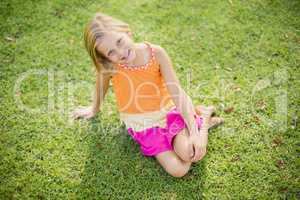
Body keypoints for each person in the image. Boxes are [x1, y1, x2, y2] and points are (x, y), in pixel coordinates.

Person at [72, 12, 224, 178]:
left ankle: (201, 121)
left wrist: (195, 134)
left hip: (169, 112)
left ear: (127, 32)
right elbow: (101, 86)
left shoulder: (156, 54)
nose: (120, 52)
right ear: (106, 58)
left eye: (119, 41)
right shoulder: (111, 67)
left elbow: (176, 92)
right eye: (111, 52)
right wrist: (93, 109)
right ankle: (203, 117)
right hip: (144, 125)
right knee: (179, 170)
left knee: (189, 153)